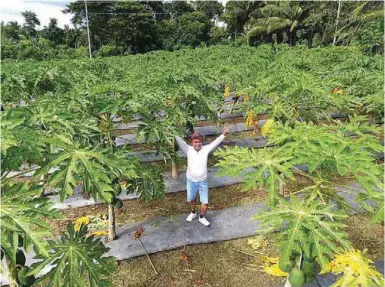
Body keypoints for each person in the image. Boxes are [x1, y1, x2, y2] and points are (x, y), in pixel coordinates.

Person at [175, 124, 230, 227]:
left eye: (199, 142)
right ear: (192, 142)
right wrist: (172, 131)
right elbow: (179, 140)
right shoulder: (188, 149)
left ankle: (201, 217)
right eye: (195, 142)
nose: (197, 144)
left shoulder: (206, 149)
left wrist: (224, 134)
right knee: (191, 199)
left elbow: (215, 142)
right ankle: (193, 213)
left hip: (203, 181)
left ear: (202, 142)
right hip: (191, 180)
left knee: (205, 201)